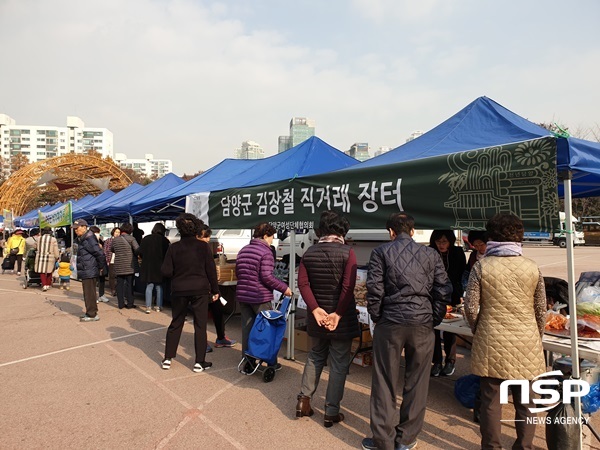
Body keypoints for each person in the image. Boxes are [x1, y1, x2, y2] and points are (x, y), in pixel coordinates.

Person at [361, 213, 451, 450]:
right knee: (417, 382)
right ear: (412, 231)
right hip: (422, 323)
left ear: (391, 232)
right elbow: (444, 289)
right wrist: (433, 318)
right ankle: (406, 440)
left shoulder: (381, 252)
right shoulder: (431, 254)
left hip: (390, 323)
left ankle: (383, 440)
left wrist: (378, 316)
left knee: (384, 381)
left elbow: (374, 290)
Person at [464, 213, 546, 450]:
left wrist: (479, 328)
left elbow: (470, 307)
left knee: (491, 401)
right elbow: (540, 309)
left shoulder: (481, 266)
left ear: (491, 237)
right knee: (526, 401)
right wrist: (535, 335)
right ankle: (524, 446)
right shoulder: (532, 267)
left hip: (491, 339)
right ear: (519, 236)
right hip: (526, 339)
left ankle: (492, 447)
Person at [296, 210, 358, 428]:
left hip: (318, 318)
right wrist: (338, 313)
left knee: (315, 356)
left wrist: (314, 310)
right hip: (341, 318)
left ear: (320, 229)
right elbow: (348, 287)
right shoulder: (347, 252)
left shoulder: (309, 253)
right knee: (339, 363)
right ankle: (331, 412)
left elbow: (302, 284)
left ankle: (303, 401)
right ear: (342, 230)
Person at [161, 213, 219, 373]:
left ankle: (167, 358)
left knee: (176, 323)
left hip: (179, 289)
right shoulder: (203, 247)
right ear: (196, 228)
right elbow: (211, 271)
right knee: (200, 325)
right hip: (200, 289)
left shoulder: (173, 247)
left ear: (179, 229)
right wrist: (215, 290)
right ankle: (199, 362)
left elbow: (166, 271)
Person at [235, 222, 292, 373]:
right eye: (272, 237)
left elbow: (238, 272)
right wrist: (284, 288)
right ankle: (270, 362)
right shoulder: (265, 252)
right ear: (266, 235)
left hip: (243, 295)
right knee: (267, 330)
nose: (272, 240)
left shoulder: (243, 250)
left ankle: (248, 361)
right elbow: (267, 277)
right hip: (260, 296)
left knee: (247, 329)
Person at [429, 230, 466, 377]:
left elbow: (461, 272)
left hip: (453, 295)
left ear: (450, 241)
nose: (441, 245)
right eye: (438, 242)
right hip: (434, 295)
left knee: (451, 329)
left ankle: (450, 361)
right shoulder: (430, 252)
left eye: (444, 241)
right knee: (434, 329)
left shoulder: (457, 252)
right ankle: (437, 362)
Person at [198, 225, 236, 349]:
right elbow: (209, 271)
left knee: (217, 312)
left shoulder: (206, 248)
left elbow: (211, 271)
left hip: (209, 287)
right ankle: (202, 343)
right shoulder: (197, 249)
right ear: (198, 236)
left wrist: (215, 290)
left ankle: (221, 338)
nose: (208, 239)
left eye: (209, 236)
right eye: (206, 237)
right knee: (201, 317)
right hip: (199, 288)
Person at [73, 219, 107, 322]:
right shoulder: (83, 238)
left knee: (89, 293)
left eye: (77, 228)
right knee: (88, 293)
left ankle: (92, 314)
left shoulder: (89, 239)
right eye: (74, 229)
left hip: (89, 269)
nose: (75, 231)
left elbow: (99, 253)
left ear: (84, 227)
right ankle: (90, 312)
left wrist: (101, 267)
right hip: (86, 269)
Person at [138, 223, 170, 313]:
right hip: (160, 265)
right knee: (159, 286)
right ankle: (158, 306)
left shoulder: (146, 238)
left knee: (149, 285)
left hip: (148, 266)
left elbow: (140, 252)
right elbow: (168, 254)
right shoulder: (164, 241)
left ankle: (148, 307)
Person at [112, 223, 139, 309]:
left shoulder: (115, 240)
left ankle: (121, 304)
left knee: (119, 285)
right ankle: (130, 303)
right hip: (129, 265)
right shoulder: (131, 239)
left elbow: (112, 249)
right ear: (130, 230)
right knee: (129, 284)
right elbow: (137, 250)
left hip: (119, 264)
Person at [34, 227, 60, 291]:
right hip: (50, 256)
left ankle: (44, 284)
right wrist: (57, 256)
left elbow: (35, 247)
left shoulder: (38, 238)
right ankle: (48, 284)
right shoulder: (53, 239)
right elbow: (55, 249)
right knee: (49, 271)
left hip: (40, 256)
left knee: (42, 271)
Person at [90, 226, 109, 303]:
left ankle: (101, 295)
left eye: (98, 232)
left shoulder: (100, 240)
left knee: (102, 280)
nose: (97, 234)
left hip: (102, 263)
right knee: (94, 281)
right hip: (93, 263)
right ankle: (93, 297)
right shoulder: (89, 241)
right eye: (96, 233)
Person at [104, 227, 121, 296]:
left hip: (119, 260)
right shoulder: (108, 240)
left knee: (118, 276)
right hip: (111, 260)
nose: (117, 233)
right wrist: (107, 260)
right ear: (113, 232)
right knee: (112, 276)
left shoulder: (121, 240)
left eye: (119, 232)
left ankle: (117, 289)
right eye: (116, 232)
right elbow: (105, 250)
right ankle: (113, 289)